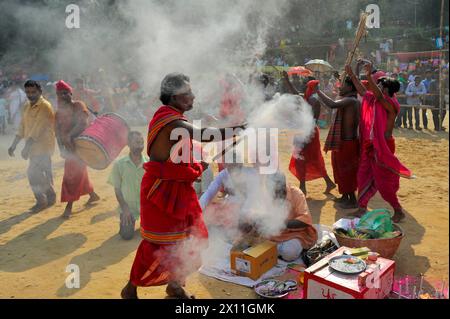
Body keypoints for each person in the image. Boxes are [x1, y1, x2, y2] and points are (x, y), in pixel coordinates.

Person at [121, 73, 245, 299]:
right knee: (156, 247)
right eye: (188, 93)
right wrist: (237, 130)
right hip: (160, 192)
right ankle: (130, 290)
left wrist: (195, 167)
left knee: (190, 240)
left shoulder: (174, 118)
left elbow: (177, 158)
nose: (193, 97)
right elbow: (204, 135)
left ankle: (175, 286)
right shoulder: (170, 119)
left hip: (179, 190)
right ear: (174, 96)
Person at [347, 61, 412, 223]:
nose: (375, 87)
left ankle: (398, 210)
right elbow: (362, 90)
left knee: (383, 183)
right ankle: (362, 207)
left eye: (379, 85)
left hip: (384, 147)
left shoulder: (392, 104)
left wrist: (368, 75)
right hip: (371, 145)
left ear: (386, 89)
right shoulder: (375, 99)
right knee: (362, 175)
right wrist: (351, 74)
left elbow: (377, 95)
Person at [282, 71, 336, 196]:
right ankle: (327, 183)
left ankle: (304, 187)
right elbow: (295, 93)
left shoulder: (312, 100)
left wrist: (287, 80)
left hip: (307, 132)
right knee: (312, 158)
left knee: (302, 158)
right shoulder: (309, 98)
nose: (305, 87)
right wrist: (287, 80)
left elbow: (312, 119)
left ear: (310, 87)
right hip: (308, 131)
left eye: (307, 85)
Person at [8, 80, 56, 213]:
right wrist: (13, 145)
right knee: (41, 172)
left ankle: (41, 200)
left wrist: (26, 148)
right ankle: (51, 195)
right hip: (32, 147)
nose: (30, 95)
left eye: (33, 92)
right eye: (28, 92)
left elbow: (37, 129)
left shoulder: (45, 106)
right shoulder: (26, 106)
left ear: (40, 91)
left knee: (32, 173)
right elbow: (22, 127)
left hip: (44, 145)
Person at [54, 80, 100, 219]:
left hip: (81, 147)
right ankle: (92, 195)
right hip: (68, 150)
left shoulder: (78, 105)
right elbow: (57, 132)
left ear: (70, 93)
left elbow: (83, 122)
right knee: (78, 173)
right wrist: (61, 148)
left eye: (65, 93)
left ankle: (69, 207)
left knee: (71, 176)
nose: (62, 96)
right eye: (59, 94)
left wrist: (70, 135)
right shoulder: (58, 113)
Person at [315, 73, 360, 209]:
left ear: (351, 87)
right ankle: (345, 196)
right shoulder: (348, 99)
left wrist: (317, 91)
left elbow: (332, 104)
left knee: (347, 171)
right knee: (340, 170)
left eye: (343, 84)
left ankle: (352, 199)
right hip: (342, 142)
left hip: (348, 142)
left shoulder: (352, 100)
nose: (340, 86)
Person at [108, 131, 148, 240]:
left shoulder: (149, 163)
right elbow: (117, 189)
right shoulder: (119, 164)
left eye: (141, 142)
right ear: (128, 144)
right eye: (137, 142)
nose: (140, 146)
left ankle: (146, 221)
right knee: (126, 235)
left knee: (152, 234)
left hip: (146, 207)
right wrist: (125, 209)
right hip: (128, 207)